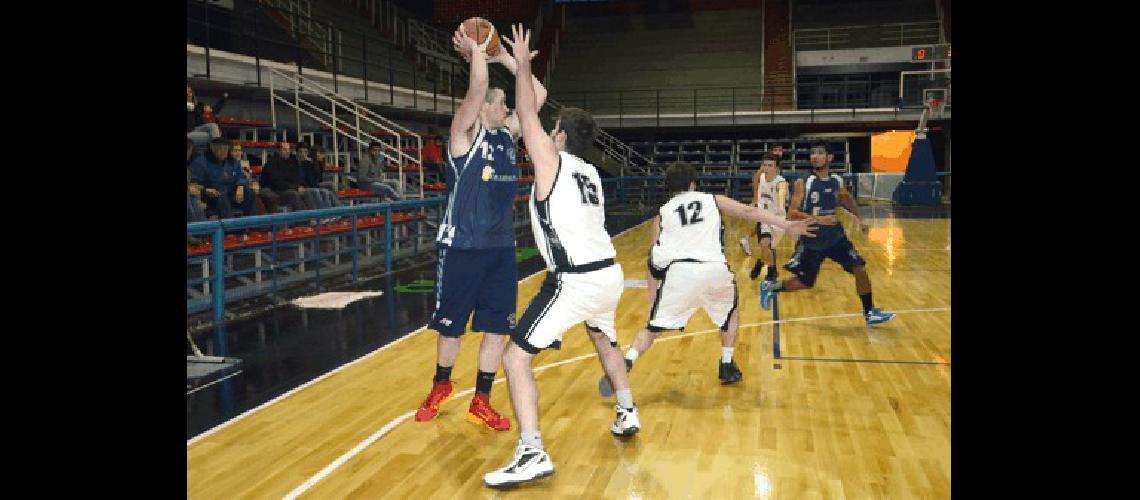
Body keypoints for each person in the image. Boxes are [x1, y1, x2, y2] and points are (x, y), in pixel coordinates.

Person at [483, 24, 631, 488]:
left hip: (575, 279)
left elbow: (528, 107)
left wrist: (523, 63)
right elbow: (535, 107)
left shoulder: (553, 161)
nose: (545, 132)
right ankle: (627, 411)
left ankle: (532, 451)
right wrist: (513, 65)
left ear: (560, 137)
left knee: (514, 359)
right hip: (609, 276)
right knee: (603, 338)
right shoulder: (590, 172)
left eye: (553, 129)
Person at [414, 19, 549, 433]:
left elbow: (538, 95)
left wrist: (507, 58)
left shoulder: (508, 136)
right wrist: (477, 52)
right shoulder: (463, 136)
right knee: (452, 327)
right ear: (486, 108)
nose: (508, 109)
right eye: (501, 103)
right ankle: (440, 387)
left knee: (495, 328)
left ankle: (481, 399)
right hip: (462, 247)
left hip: (500, 249)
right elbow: (476, 90)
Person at [596, 162, 814, 398]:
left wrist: (652, 300)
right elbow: (748, 212)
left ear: (669, 187)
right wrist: (786, 224)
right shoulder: (712, 199)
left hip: (679, 274)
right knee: (730, 313)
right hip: (714, 271)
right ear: (693, 183)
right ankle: (727, 364)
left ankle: (628, 360)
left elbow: (653, 261)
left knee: (653, 329)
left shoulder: (662, 214)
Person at [759, 142, 896, 326]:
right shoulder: (804, 182)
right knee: (806, 283)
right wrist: (820, 219)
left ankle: (870, 312)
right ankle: (772, 287)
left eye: (820, 153)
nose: (815, 156)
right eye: (812, 153)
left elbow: (846, 199)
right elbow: (792, 213)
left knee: (859, 268)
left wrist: (860, 219)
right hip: (812, 239)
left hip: (836, 237)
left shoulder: (837, 181)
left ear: (830, 157)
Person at [747, 153, 790, 281]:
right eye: (764, 165)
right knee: (765, 243)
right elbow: (755, 180)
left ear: (776, 168)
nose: (766, 168)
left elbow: (781, 193)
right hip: (764, 217)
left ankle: (760, 262)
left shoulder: (781, 182)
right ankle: (772, 271)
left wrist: (781, 202)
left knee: (768, 248)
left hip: (778, 220)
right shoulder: (761, 177)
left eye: (770, 165)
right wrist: (755, 199)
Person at [189, 137, 255, 219]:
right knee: (222, 195)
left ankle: (252, 225)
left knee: (249, 192)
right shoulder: (200, 162)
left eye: (225, 149)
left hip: (231, 192)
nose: (223, 151)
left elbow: (241, 176)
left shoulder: (233, 161)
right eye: (219, 149)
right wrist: (205, 190)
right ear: (212, 149)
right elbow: (194, 183)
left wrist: (240, 186)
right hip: (212, 195)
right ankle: (231, 227)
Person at [259, 142, 316, 213]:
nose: (288, 152)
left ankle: (315, 216)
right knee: (293, 194)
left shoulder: (290, 162)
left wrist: (300, 187)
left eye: (289, 149)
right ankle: (306, 218)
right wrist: (295, 188)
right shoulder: (271, 163)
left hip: (288, 188)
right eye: (285, 149)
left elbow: (294, 178)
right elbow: (277, 183)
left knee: (306, 192)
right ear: (279, 151)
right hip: (276, 191)